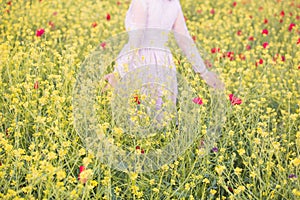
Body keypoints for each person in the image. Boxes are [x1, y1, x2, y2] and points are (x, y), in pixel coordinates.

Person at [103, 0, 225, 127]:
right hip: (163, 62)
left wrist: (118, 73)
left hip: (140, 60)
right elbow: (184, 40)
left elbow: (137, 40)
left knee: (137, 119)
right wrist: (204, 72)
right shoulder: (173, 3)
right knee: (160, 121)